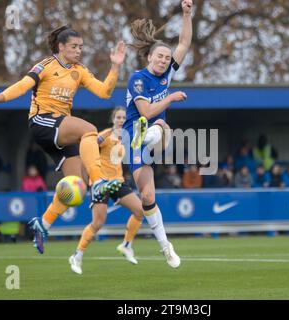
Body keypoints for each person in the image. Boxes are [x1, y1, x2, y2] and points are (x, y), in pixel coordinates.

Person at [0, 25, 126, 254]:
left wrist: (115, 66)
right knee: (89, 129)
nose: (79, 51)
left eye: (81, 47)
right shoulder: (46, 65)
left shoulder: (80, 70)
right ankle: (98, 182)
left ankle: (43, 224)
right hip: (42, 122)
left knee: (76, 186)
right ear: (61, 47)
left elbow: (105, 92)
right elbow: (24, 85)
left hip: (60, 128)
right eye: (74, 47)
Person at [121, 0, 193, 268]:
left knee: (160, 128)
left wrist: (187, 14)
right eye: (159, 56)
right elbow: (147, 111)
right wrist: (171, 98)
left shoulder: (167, 73)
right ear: (149, 57)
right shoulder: (137, 79)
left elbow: (184, 43)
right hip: (133, 138)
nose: (164, 60)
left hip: (153, 135)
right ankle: (166, 246)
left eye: (167, 57)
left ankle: (153, 136)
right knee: (148, 198)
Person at [69, 107, 150, 274]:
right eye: (118, 117)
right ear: (113, 119)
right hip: (101, 182)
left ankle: (126, 245)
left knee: (140, 211)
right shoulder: (105, 135)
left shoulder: (126, 137)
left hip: (118, 181)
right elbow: (89, 148)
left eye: (123, 118)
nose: (121, 120)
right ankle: (77, 255)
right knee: (98, 223)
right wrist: (87, 179)